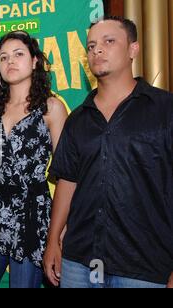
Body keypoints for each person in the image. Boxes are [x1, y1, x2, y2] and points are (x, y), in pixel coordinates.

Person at [43, 16, 173, 288]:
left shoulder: (165, 109)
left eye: (108, 41)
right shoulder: (78, 118)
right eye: (91, 46)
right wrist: (53, 240)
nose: (97, 50)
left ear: (133, 50)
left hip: (145, 267)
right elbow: (68, 180)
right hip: (80, 262)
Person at [0, 31, 68, 288]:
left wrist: (60, 233)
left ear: (34, 62)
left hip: (33, 216)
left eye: (18, 54)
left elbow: (67, 173)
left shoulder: (51, 108)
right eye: (3, 57)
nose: (10, 61)